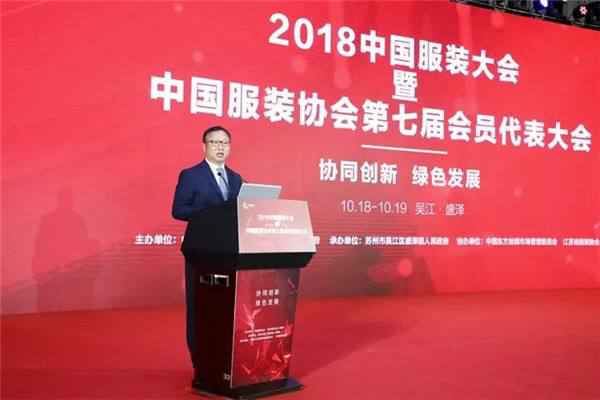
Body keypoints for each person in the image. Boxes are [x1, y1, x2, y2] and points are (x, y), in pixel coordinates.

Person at [171, 126, 243, 385]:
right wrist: (212, 212)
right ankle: (200, 364)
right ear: (204, 146)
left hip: (229, 252)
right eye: (215, 142)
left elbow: (242, 210)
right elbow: (178, 210)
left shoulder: (237, 179)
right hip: (200, 250)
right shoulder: (191, 175)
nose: (220, 147)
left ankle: (225, 362)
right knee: (200, 308)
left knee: (225, 310)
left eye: (225, 143)